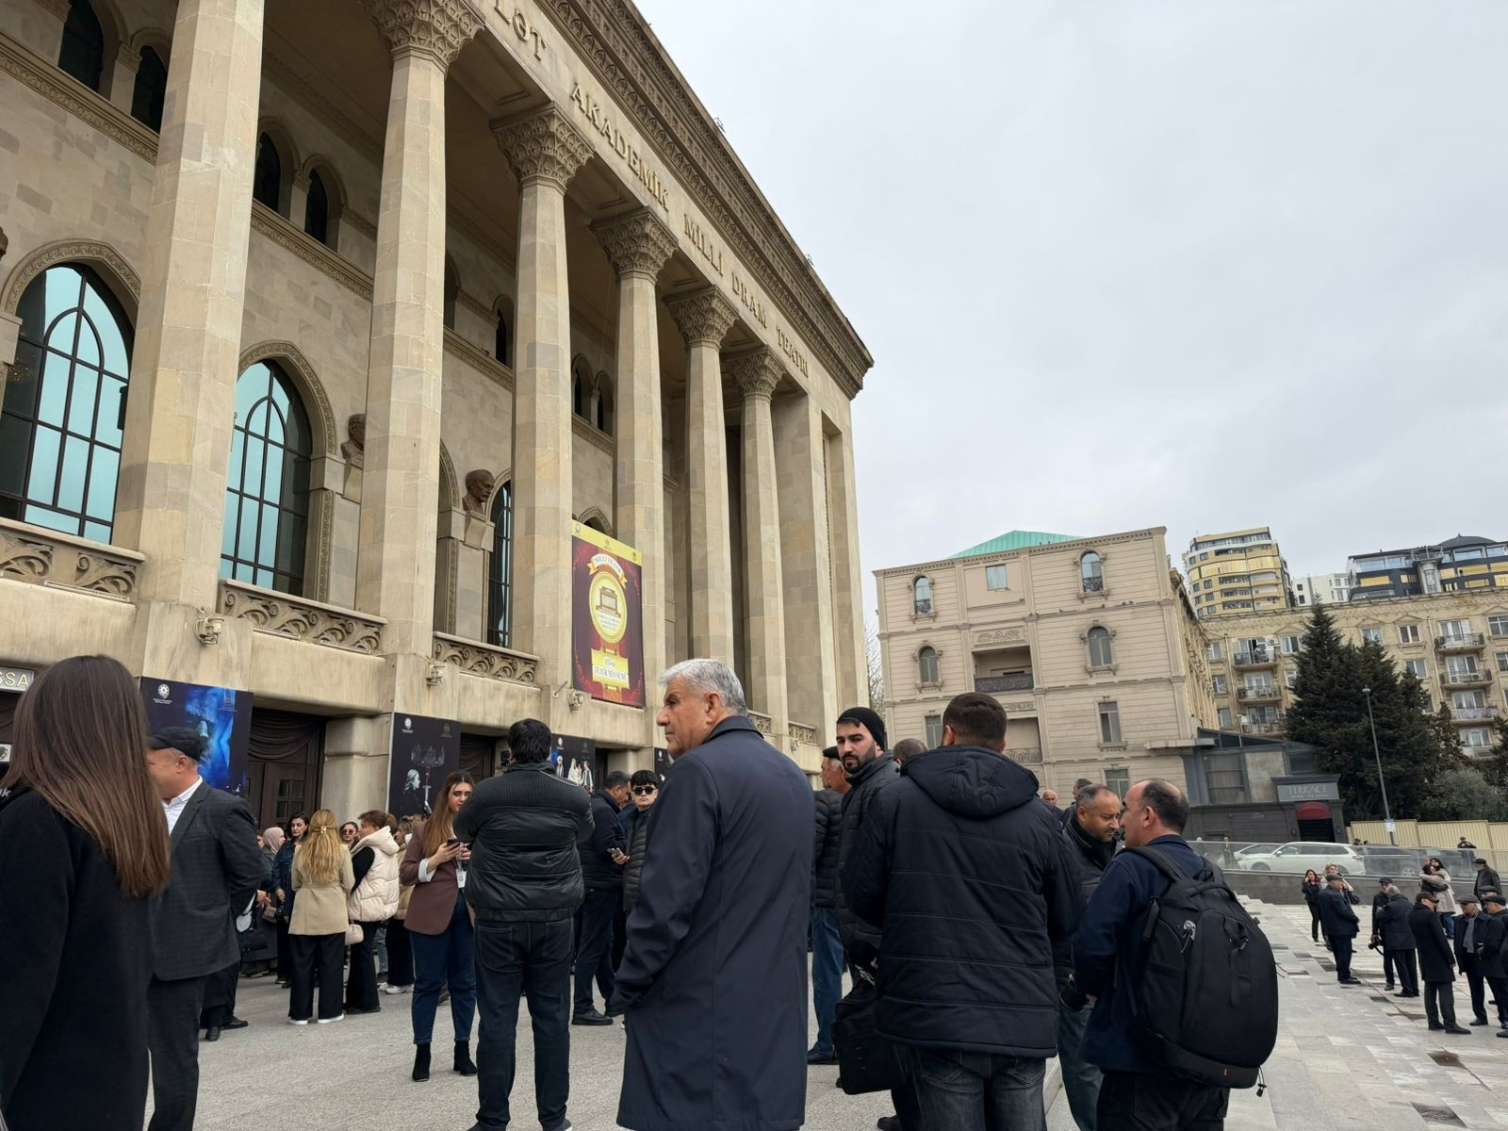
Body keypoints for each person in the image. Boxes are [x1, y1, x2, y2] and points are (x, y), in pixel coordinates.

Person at [848, 691, 1077, 1131]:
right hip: (1020, 1010)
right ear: (1003, 744)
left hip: (936, 1008)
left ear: (948, 734)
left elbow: (862, 897)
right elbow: (1068, 915)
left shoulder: (894, 801)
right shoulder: (1041, 818)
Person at [613, 659, 814, 1131]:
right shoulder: (791, 775)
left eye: (672, 702)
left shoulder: (696, 774)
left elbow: (664, 904)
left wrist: (629, 983)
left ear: (711, 705)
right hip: (772, 1011)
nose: (662, 717)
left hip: (701, 1016)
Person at [0, 655, 173, 1130]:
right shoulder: (135, 821)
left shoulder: (38, 819)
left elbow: (16, 978)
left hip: (44, 1083)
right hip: (111, 1075)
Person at [454, 717, 593, 1131]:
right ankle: (554, 1118)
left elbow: (462, 829)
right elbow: (583, 835)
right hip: (554, 918)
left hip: (498, 919)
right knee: (552, 1019)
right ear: (548, 751)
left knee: (497, 1019)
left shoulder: (487, 793)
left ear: (510, 751)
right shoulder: (572, 795)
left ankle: (492, 1120)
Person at [1074, 781, 1230, 1131]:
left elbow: (1092, 946)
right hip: (1205, 1058)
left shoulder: (1130, 867)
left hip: (1139, 1058)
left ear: (1147, 816)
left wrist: (1091, 991)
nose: (1120, 823)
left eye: (1125, 811)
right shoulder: (1211, 873)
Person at [143, 726, 263, 1131]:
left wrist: (209, 918)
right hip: (134, 948)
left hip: (184, 955)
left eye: (149, 764)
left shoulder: (222, 809)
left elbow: (247, 875)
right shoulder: (143, 808)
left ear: (181, 763)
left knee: (173, 1056)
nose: (143, 772)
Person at [832, 703, 917, 1131]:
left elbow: (891, 874)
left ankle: (915, 1118)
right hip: (869, 942)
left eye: (856, 739)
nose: (846, 748)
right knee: (893, 1042)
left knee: (903, 1042)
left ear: (878, 743)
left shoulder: (884, 789)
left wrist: (879, 945)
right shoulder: (864, 787)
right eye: (841, 741)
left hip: (883, 946)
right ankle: (908, 1116)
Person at [400, 771, 479, 1081]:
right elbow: (406, 874)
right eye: (457, 793)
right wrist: (435, 859)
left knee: (465, 985)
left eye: (468, 794)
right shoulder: (425, 829)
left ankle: (463, 1049)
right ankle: (423, 1052)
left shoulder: (480, 829)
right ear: (447, 796)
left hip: (468, 917)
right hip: (429, 916)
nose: (462, 799)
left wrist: (475, 860)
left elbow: (495, 872)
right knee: (427, 985)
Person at [1057, 784, 1122, 1131]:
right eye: (1107, 817)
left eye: (1118, 816)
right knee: (1083, 1065)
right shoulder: (1060, 852)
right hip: (1076, 975)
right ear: (1083, 814)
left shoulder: (1117, 848)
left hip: (1114, 975)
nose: (1116, 824)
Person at [288, 809, 355, 1024]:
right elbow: (349, 881)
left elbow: (294, 883)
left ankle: (299, 1013)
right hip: (333, 909)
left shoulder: (300, 850)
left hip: (305, 909)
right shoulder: (341, 850)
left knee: (302, 965)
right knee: (332, 964)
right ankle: (330, 1011)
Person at [574, 769, 629, 1024]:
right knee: (591, 947)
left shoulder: (591, 806)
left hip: (589, 884)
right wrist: (623, 853)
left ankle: (612, 999)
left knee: (603, 944)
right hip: (601, 885)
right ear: (617, 789)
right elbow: (608, 845)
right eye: (627, 793)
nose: (627, 798)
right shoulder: (605, 811)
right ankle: (582, 1007)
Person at [808, 746, 848, 1066]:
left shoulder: (823, 801)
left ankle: (828, 1043)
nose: (822, 773)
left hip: (827, 901)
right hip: (857, 902)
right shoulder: (863, 798)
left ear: (838, 771)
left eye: (824, 768)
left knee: (827, 974)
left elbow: (810, 851)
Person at [346, 808, 401, 1014]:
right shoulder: (387, 848)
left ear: (376, 828)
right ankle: (357, 1000)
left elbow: (352, 878)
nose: (360, 830)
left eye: (364, 826)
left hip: (365, 906)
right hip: (376, 906)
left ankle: (366, 1001)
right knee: (363, 952)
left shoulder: (369, 849)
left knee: (362, 953)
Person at [1409, 891, 1469, 1034]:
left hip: (1424, 957)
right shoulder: (1430, 916)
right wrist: (1450, 958)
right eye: (1432, 902)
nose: (1434, 905)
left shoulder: (1411, 915)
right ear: (1424, 901)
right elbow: (1440, 938)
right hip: (1438, 958)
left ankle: (1433, 1021)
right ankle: (1450, 1023)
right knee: (1445, 990)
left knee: (1430, 990)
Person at [384, 815, 418, 996]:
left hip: (404, 903)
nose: (395, 834)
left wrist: (390, 889)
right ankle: (394, 977)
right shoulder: (399, 851)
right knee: (393, 941)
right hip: (398, 903)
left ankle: (403, 980)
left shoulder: (407, 852)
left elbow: (403, 878)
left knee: (400, 943)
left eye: (399, 831)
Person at [620, 769, 660, 918]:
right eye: (638, 790)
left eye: (648, 790)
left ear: (656, 793)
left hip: (652, 894)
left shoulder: (663, 818)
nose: (643, 794)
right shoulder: (628, 819)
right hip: (632, 892)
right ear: (632, 793)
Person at [274, 813, 306, 986]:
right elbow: (276, 868)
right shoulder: (286, 847)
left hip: (301, 895)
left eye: (299, 825)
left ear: (306, 826)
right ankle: (284, 972)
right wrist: (277, 888)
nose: (295, 828)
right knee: (284, 935)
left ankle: (296, 974)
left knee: (298, 936)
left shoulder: (309, 845)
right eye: (293, 825)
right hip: (284, 895)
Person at [1318, 873, 1363, 985]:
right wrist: (1355, 918)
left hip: (1331, 928)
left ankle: (1342, 974)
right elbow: (1343, 911)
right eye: (1340, 882)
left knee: (1338, 954)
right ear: (1332, 882)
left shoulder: (1322, 893)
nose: (1341, 884)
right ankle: (1344, 976)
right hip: (1342, 929)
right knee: (1345, 953)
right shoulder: (1335, 895)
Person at [1375, 883, 1419, 997]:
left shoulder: (1391, 906)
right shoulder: (1410, 904)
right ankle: (1415, 988)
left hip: (1396, 941)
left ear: (1390, 895)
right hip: (1410, 940)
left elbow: (1379, 916)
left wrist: (1380, 910)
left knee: (1401, 966)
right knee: (1411, 966)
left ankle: (1407, 989)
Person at [1453, 895, 1490, 1026]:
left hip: (1484, 957)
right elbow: (1457, 939)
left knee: (1497, 988)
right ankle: (1480, 1016)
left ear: (1474, 904)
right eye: (1461, 905)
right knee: (1475, 989)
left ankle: (1504, 1017)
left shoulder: (1486, 919)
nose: (1463, 907)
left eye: (1465, 904)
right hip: (1468, 957)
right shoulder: (1459, 920)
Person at [1478, 891, 1508, 1035]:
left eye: (1488, 905)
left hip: (1496, 964)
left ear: (1496, 905)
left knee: (1500, 994)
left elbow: (1492, 944)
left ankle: (1505, 1019)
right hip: (1504, 963)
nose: (1486, 907)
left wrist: (1482, 951)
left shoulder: (1495, 920)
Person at [1369, 877, 1397, 988]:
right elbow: (1375, 916)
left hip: (1397, 931)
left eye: (1387, 884)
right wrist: (1374, 932)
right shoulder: (1378, 897)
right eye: (1383, 885)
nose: (1385, 886)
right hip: (1385, 930)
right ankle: (1390, 981)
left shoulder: (1397, 896)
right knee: (1387, 958)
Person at [1420, 857, 1457, 929]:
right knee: (1444, 916)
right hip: (1440, 897)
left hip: (1444, 897)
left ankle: (1449, 932)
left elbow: (1447, 880)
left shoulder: (1440, 873)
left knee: (1445, 916)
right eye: (1432, 862)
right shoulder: (1431, 875)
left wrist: (1444, 884)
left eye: (1435, 862)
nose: (1434, 863)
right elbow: (1422, 875)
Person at [1301, 870, 1323, 944]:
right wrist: (1305, 882)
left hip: (1320, 902)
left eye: (1312, 874)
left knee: (1322, 919)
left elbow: (1321, 890)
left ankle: (1326, 936)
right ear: (1307, 876)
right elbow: (1304, 891)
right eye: (1309, 874)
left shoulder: (1318, 882)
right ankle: (1315, 936)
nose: (1311, 875)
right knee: (1316, 918)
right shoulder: (1306, 883)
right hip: (1312, 903)